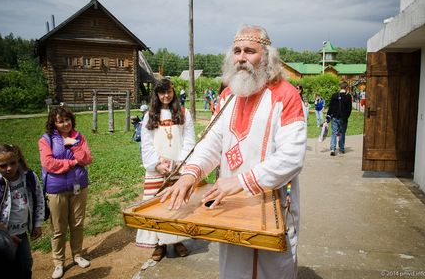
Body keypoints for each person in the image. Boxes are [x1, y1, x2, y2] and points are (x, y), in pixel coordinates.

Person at [160, 25, 306, 279]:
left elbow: (291, 157)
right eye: (237, 50)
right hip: (232, 208)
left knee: (273, 271)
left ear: (267, 56)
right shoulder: (229, 95)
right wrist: (189, 175)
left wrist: (240, 181)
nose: (241, 57)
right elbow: (212, 143)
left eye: (250, 51)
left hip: (272, 208)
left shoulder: (286, 95)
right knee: (234, 270)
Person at [135, 78, 196, 261]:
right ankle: (159, 243)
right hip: (157, 169)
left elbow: (189, 140)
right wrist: (156, 164)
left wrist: (180, 161)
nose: (166, 96)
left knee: (176, 204)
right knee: (156, 206)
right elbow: (146, 144)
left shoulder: (183, 113)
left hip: (177, 167)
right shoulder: (149, 115)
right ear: (156, 94)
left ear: (173, 92)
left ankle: (177, 240)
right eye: (162, 93)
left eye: (169, 92)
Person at [38, 106, 93, 279]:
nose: (65, 124)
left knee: (77, 224)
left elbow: (87, 159)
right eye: (60, 121)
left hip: (79, 187)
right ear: (53, 123)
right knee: (59, 228)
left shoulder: (79, 137)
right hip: (56, 189)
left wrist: (74, 145)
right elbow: (49, 164)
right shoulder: (46, 140)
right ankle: (58, 263)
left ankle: (77, 255)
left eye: (67, 120)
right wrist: (71, 163)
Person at [0, 144, 45, 278]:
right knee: (6, 268)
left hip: (22, 233)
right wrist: (2, 234)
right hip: (1, 238)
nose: (9, 168)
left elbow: (39, 198)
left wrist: (38, 223)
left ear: (18, 160)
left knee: (25, 264)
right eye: (2, 165)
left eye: (13, 163)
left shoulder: (28, 177)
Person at [326, 81, 353, 156]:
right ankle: (341, 148)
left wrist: (328, 116)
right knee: (342, 133)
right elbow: (349, 109)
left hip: (334, 117)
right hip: (343, 118)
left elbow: (330, 107)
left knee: (334, 133)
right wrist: (346, 117)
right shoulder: (348, 96)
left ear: (340, 87)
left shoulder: (334, 95)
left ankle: (332, 148)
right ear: (346, 88)